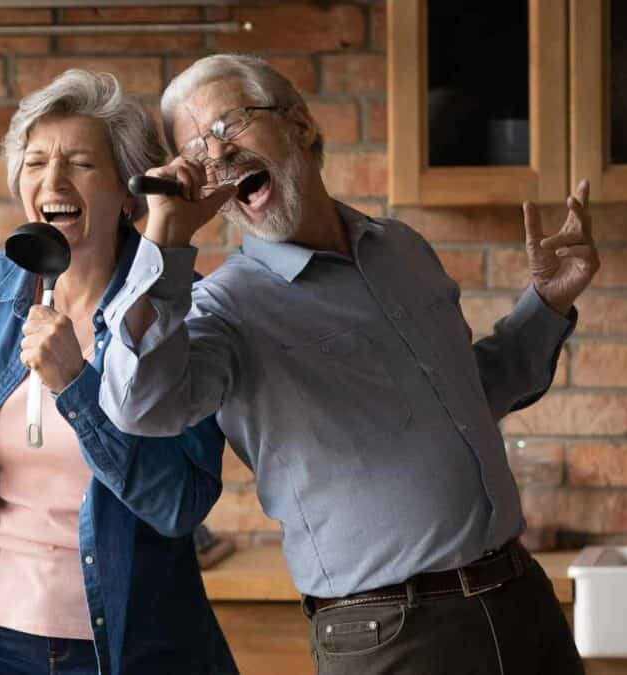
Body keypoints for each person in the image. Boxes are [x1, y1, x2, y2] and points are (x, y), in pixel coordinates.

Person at [98, 53, 599, 674]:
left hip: (520, 598)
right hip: (390, 631)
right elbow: (139, 406)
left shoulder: (401, 249)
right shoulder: (223, 307)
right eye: (194, 151)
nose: (216, 157)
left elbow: (475, 393)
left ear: (300, 125)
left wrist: (548, 302)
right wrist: (166, 240)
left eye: (227, 127)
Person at [0, 69, 237, 675]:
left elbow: (178, 504)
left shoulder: (184, 304)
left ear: (128, 192)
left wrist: (75, 386)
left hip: (136, 647)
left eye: (80, 164)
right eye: (35, 164)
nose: (52, 181)